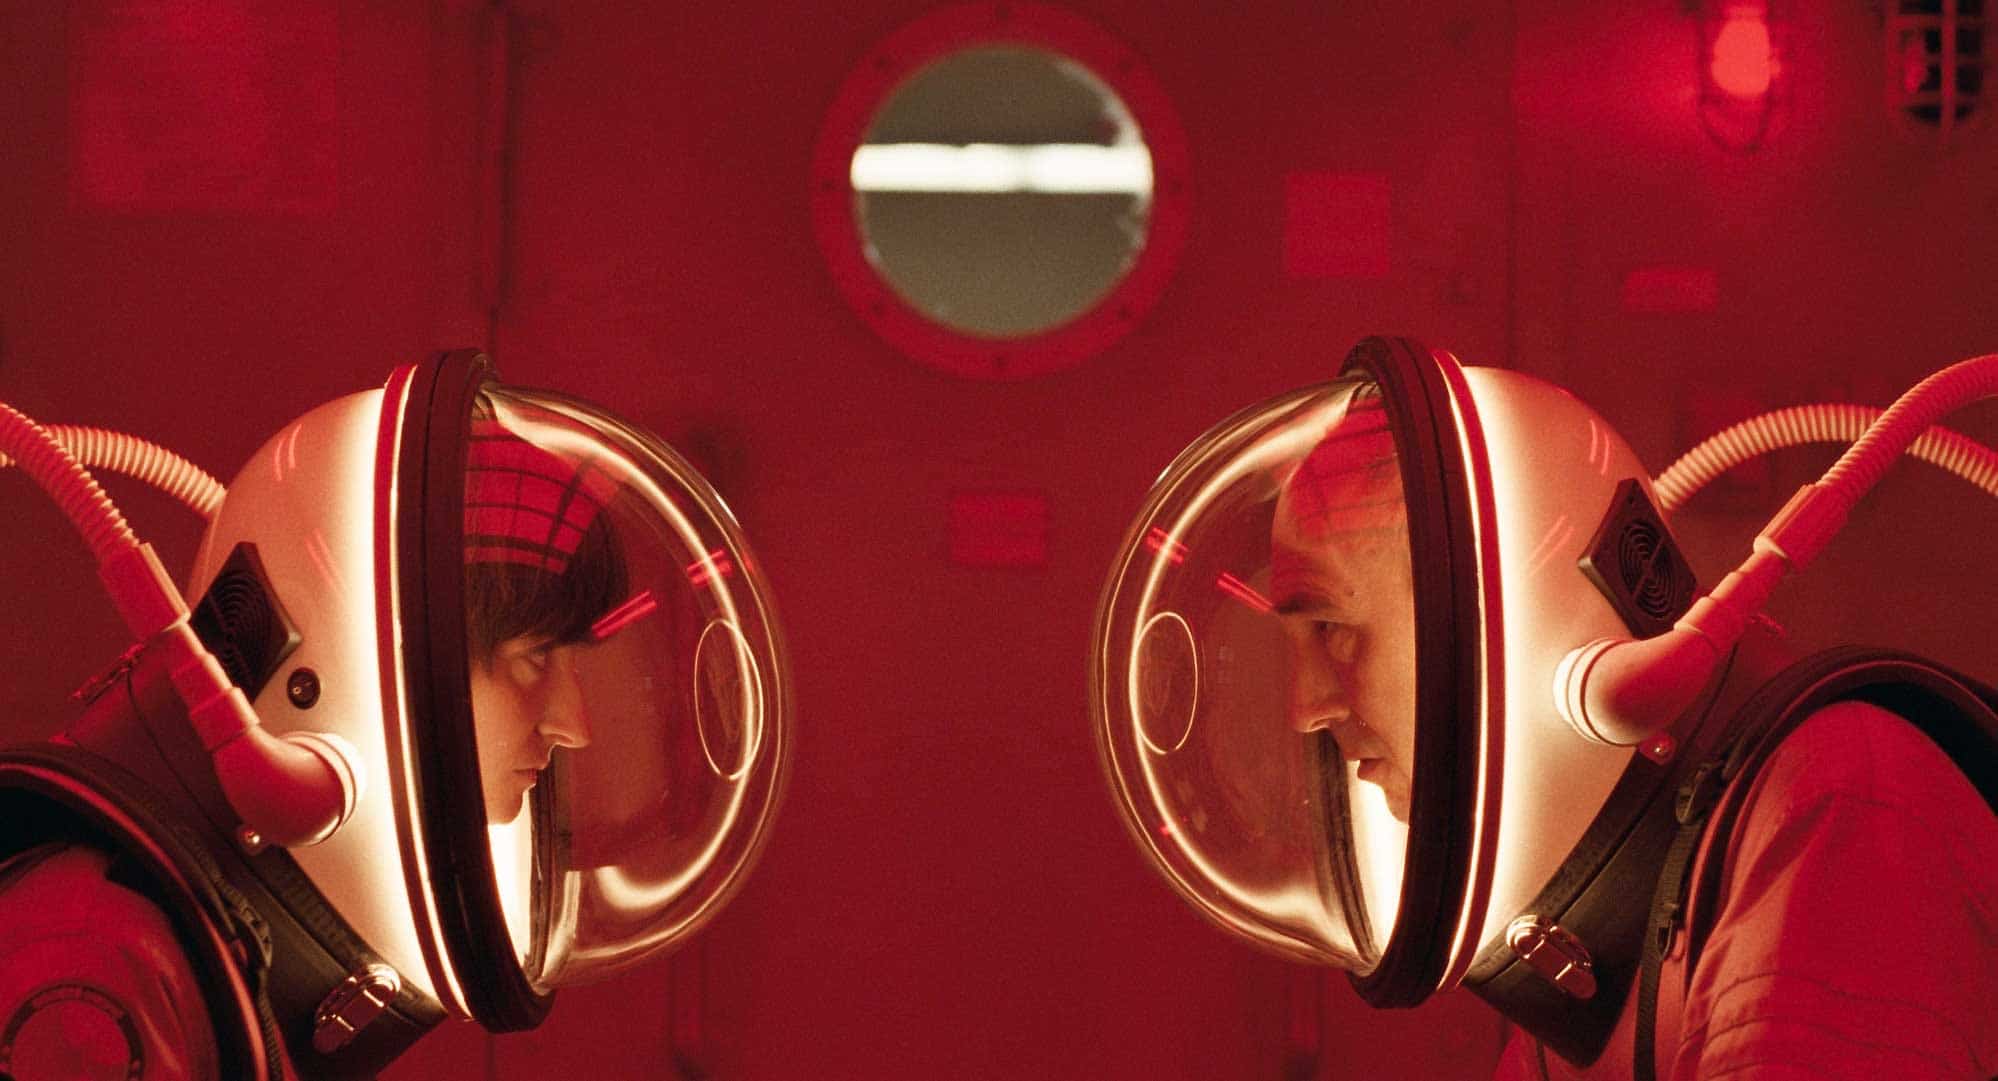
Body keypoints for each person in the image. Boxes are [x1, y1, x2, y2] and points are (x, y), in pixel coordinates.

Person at [1091, 337, 1998, 1080]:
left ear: (1519, 612)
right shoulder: (1589, 955)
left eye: (1331, 627)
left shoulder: (1837, 808)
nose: (1306, 709)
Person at [0, 351, 792, 1079]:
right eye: (531, 657)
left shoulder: (163, 956)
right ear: (316, 674)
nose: (572, 726)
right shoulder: (97, 961)